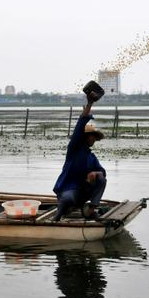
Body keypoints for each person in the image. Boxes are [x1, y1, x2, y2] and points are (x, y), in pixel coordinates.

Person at [52, 93, 106, 221]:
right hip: (68, 189)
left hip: (82, 191)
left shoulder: (91, 157)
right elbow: (80, 125)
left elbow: (103, 172)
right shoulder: (74, 148)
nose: (93, 138)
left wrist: (95, 173)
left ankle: (90, 210)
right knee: (67, 199)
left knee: (101, 179)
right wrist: (90, 103)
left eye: (94, 136)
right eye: (91, 135)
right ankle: (59, 214)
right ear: (85, 136)